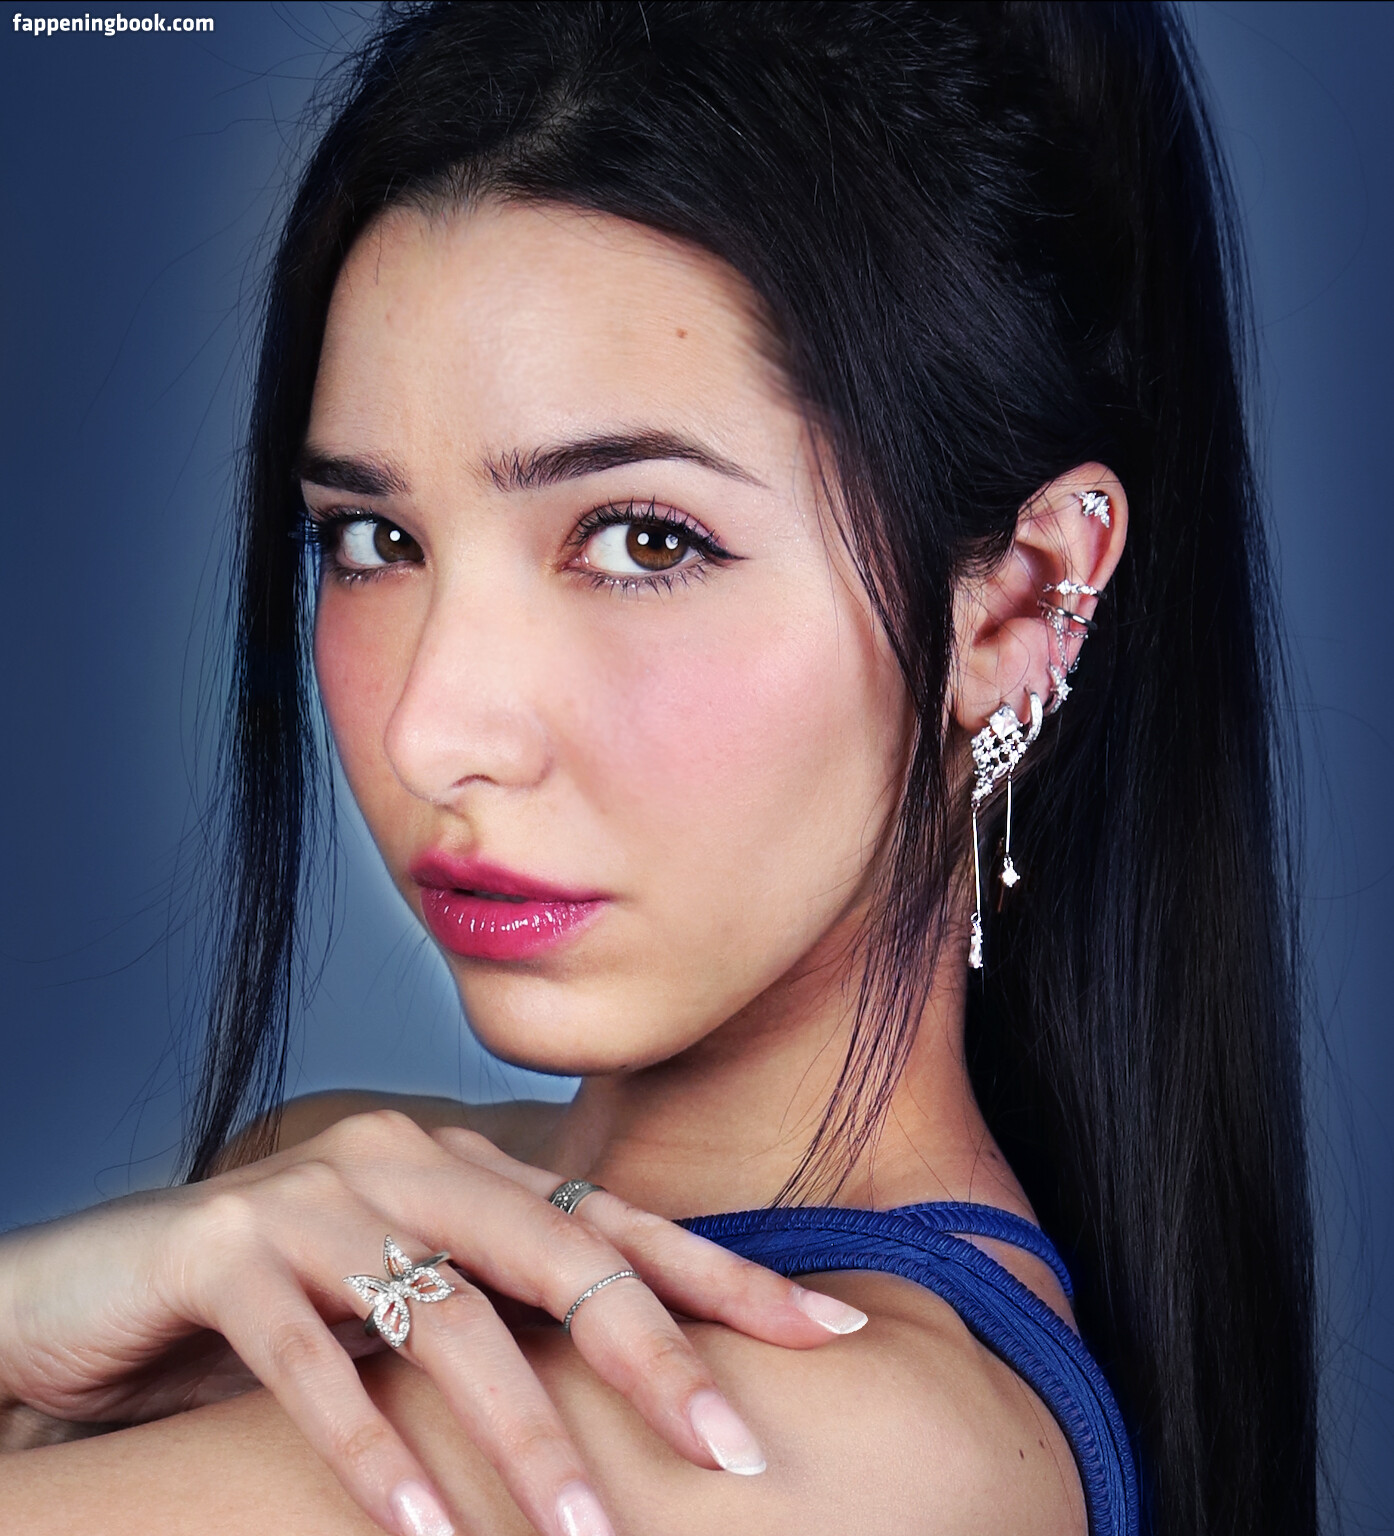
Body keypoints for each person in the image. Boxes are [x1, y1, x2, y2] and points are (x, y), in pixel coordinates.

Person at [0, 3, 1318, 1534]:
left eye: (642, 540)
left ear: (1019, 599)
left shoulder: (842, 1453)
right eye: (373, 539)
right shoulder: (327, 1203)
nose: (435, 729)